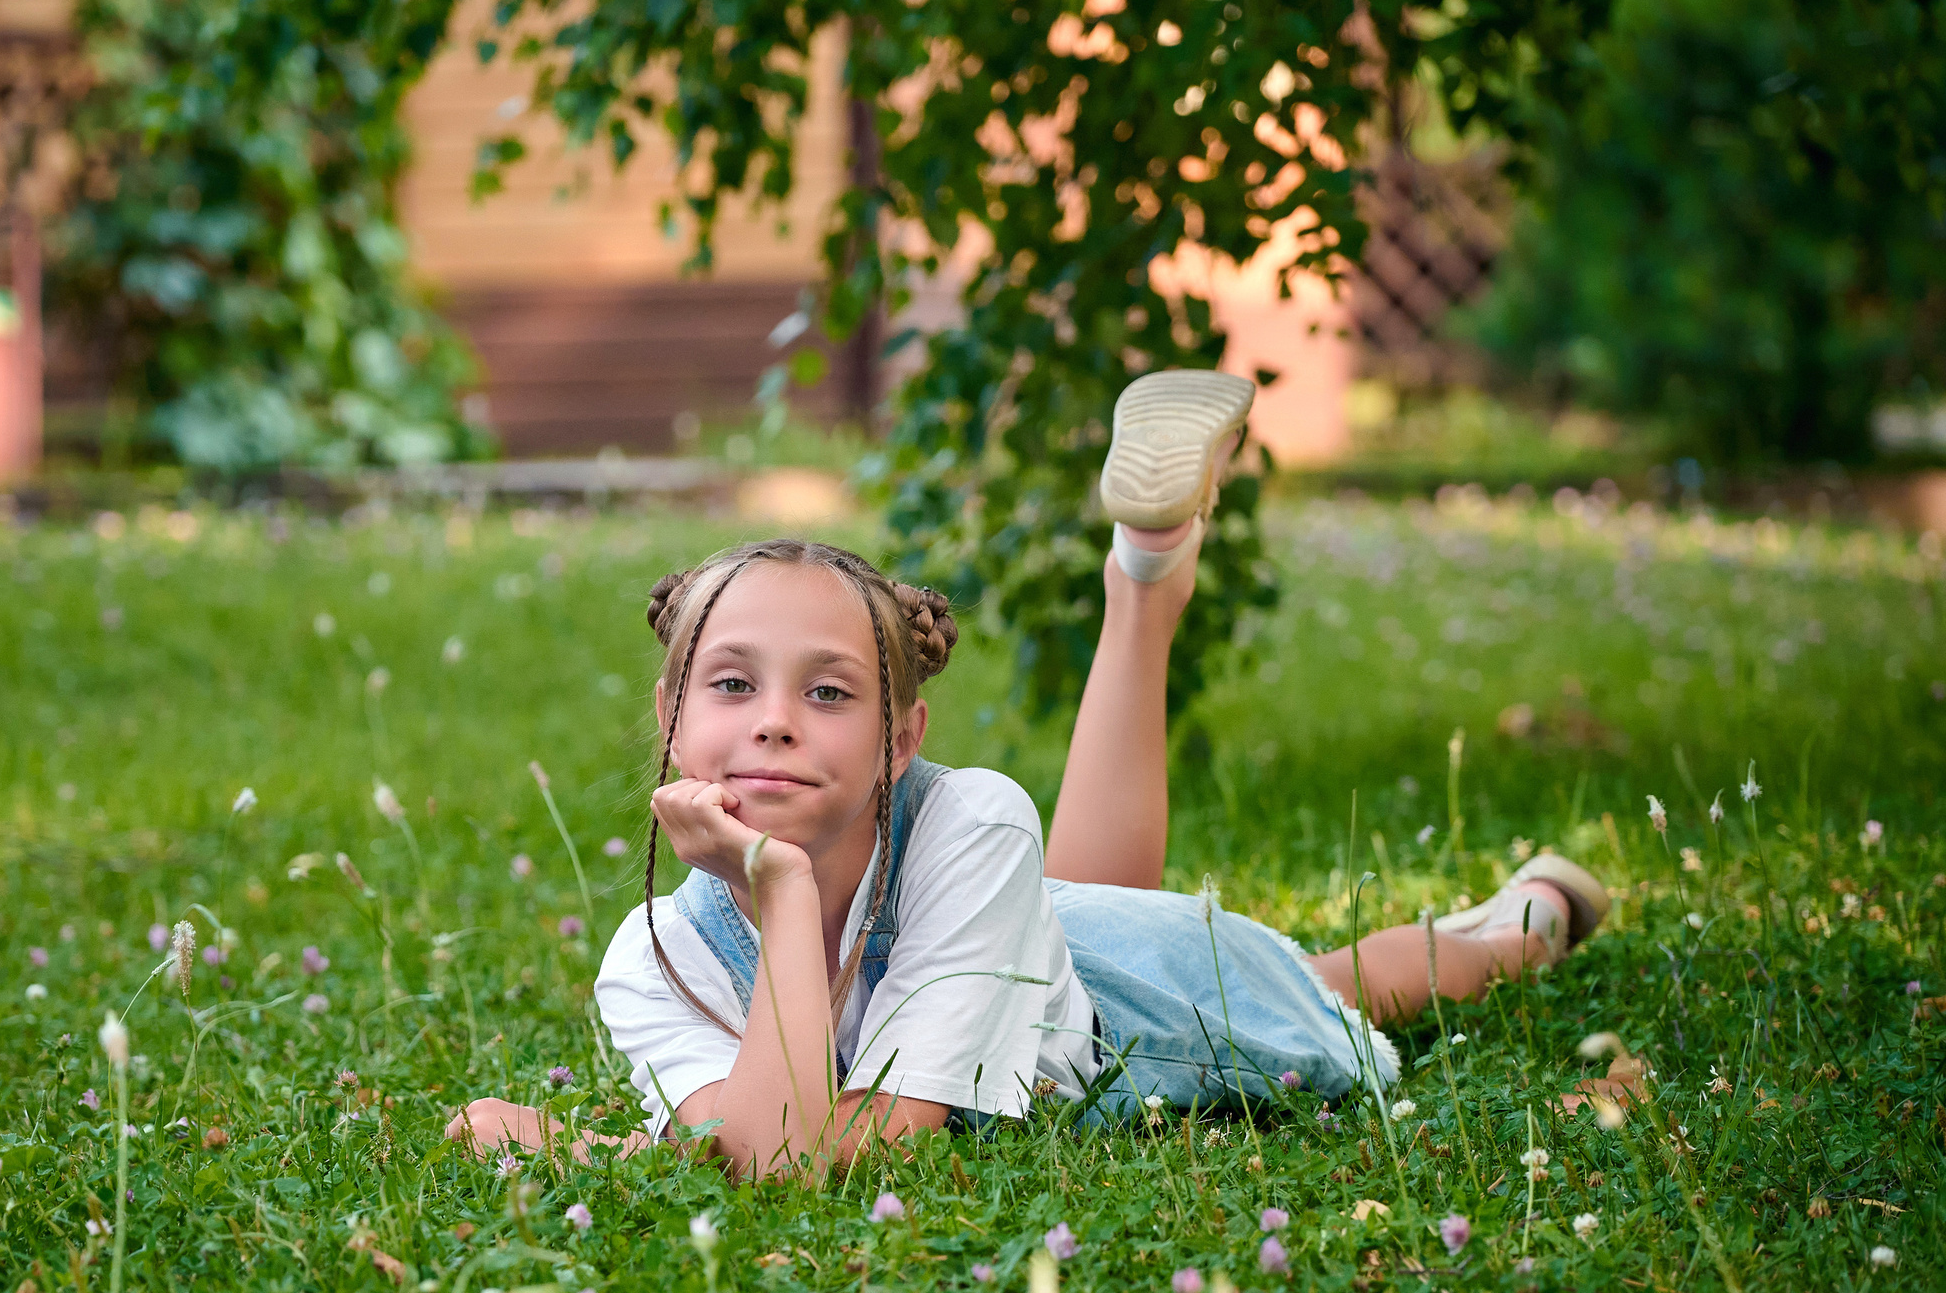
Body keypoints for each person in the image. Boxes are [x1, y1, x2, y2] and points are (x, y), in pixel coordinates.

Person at [451, 370, 1608, 1176]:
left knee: (1329, 983)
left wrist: (607, 1141)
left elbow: (800, 1156)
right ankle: (1147, 567)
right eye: (732, 685)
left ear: (903, 738)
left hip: (1143, 1016)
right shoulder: (657, 954)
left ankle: (1523, 922)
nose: (775, 726)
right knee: (1067, 912)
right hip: (1022, 952)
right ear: (669, 716)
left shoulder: (972, 818)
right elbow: (766, 1144)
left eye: (831, 692)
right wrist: (777, 901)